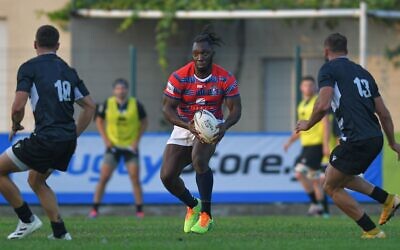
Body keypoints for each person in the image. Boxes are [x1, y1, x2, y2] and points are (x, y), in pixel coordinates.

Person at [296, 33, 400, 238]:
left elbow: (323, 104)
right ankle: (388, 200)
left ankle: (371, 231)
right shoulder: (363, 73)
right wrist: (393, 142)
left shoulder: (328, 69)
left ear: (326, 51)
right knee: (342, 176)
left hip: (356, 139)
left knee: (330, 185)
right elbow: (384, 114)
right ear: (347, 51)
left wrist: (308, 123)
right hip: (375, 138)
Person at [0, 25, 95, 240]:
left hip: (46, 138)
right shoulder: (68, 71)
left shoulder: (29, 67)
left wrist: (16, 124)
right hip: (66, 141)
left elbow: (17, 106)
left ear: (35, 45)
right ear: (58, 46)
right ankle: (60, 233)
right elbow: (90, 106)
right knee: (36, 180)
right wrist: (74, 133)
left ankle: (26, 219)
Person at [160, 26, 242, 234]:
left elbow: (236, 110)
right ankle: (193, 204)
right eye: (196, 53)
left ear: (212, 53)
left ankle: (207, 215)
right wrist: (187, 126)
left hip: (211, 127)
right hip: (184, 125)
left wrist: (224, 126)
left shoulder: (224, 78)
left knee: (199, 159)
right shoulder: (179, 77)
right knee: (167, 176)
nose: (200, 57)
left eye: (204, 53)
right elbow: (167, 108)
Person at [89, 78, 148, 218]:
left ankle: (140, 210)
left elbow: (144, 122)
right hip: (113, 145)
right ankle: (94, 209)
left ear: (127, 90)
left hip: (130, 146)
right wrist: (106, 140)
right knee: (104, 177)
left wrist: (136, 141)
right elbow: (98, 120)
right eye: (118, 88)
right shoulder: (107, 104)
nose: (121, 90)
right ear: (114, 90)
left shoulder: (136, 104)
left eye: (123, 88)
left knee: (135, 178)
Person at [284, 76, 330, 217]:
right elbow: (301, 127)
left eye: (311, 85)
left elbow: (326, 123)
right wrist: (290, 142)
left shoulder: (318, 102)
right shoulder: (302, 104)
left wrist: (326, 144)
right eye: (305, 85)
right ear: (301, 88)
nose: (308, 88)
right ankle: (323, 210)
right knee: (315, 180)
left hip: (316, 145)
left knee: (299, 172)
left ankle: (315, 205)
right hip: (306, 146)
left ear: (315, 87)